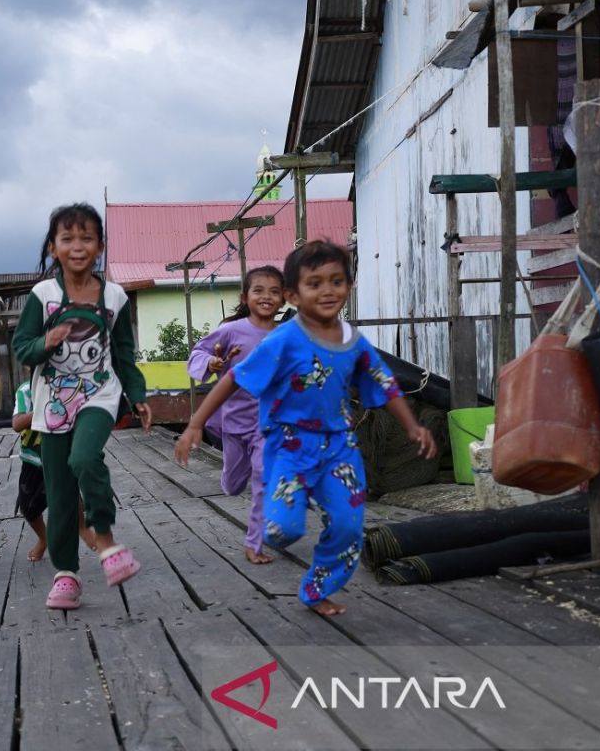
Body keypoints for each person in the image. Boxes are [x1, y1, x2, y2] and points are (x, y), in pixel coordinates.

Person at [175, 241, 437, 616]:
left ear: (349, 286)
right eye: (315, 283)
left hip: (340, 449)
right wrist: (195, 424)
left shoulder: (353, 341)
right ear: (294, 296)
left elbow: (385, 383)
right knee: (285, 529)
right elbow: (234, 377)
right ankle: (271, 527)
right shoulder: (283, 339)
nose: (327, 290)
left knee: (348, 526)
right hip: (289, 446)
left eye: (336, 281)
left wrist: (412, 427)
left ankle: (317, 589)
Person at [13, 202, 152, 611]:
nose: (77, 246)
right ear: (53, 248)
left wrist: (137, 395)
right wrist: (46, 342)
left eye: (87, 238)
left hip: (99, 394)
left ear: (100, 246)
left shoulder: (115, 297)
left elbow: (123, 353)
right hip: (52, 403)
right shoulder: (43, 296)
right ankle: (66, 575)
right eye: (67, 238)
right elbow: (23, 347)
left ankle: (105, 540)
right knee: (59, 492)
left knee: (85, 457)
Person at [186, 266, 285, 565]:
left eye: (274, 292)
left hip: (268, 424)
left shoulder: (286, 336)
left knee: (263, 476)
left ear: (284, 299)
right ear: (245, 297)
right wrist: (212, 363)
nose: (266, 297)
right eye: (259, 290)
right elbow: (197, 353)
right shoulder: (231, 331)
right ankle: (230, 477)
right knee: (232, 485)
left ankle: (254, 543)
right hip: (232, 421)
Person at [11, 375, 96, 561]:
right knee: (28, 508)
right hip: (34, 460)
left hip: (61, 456)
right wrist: (43, 409)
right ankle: (44, 538)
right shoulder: (26, 391)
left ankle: (82, 528)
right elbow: (17, 424)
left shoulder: (69, 389)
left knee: (70, 494)